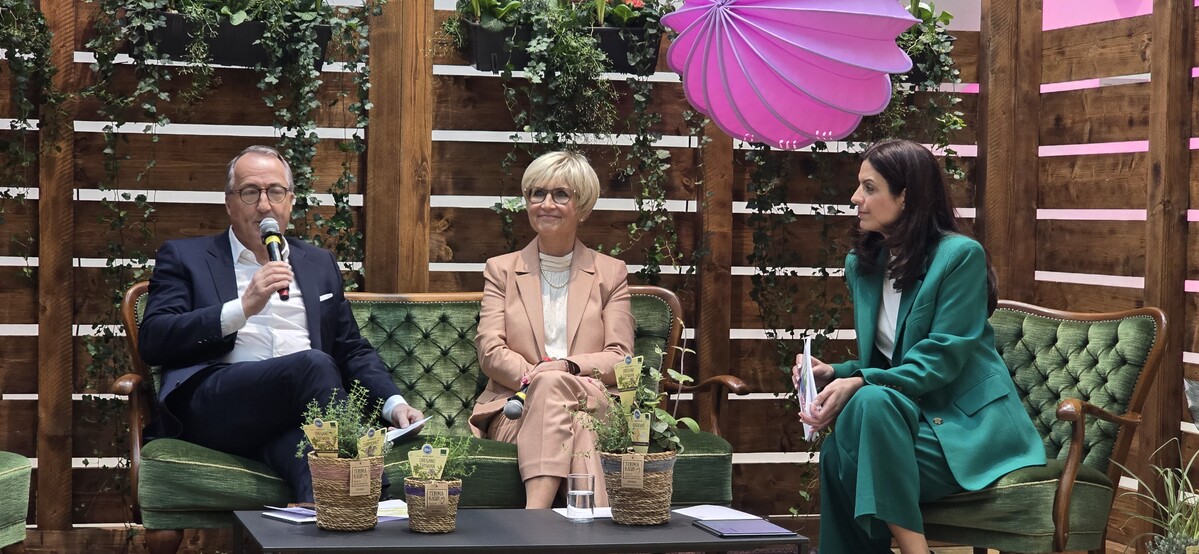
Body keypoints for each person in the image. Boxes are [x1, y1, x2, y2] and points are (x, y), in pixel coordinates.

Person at [795, 139, 1045, 554]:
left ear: (906, 197)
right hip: (899, 424)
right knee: (845, 442)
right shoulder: (863, 266)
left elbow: (939, 358)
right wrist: (835, 373)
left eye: (869, 188)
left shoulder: (959, 257)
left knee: (858, 422)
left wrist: (859, 382)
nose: (855, 198)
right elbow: (887, 363)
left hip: (965, 430)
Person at [138, 145, 424, 502]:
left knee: (315, 466)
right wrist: (242, 307)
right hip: (220, 407)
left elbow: (350, 348)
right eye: (250, 192)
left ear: (290, 201)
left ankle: (341, 517)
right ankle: (374, 489)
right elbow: (154, 339)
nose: (264, 205)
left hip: (299, 415)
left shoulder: (318, 263)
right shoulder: (186, 257)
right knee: (313, 365)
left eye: (275, 192)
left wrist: (394, 404)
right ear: (229, 203)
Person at [469, 150, 634, 509]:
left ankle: (535, 517)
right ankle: (593, 525)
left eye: (560, 194)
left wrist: (565, 367)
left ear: (582, 206)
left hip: (593, 401)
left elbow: (620, 358)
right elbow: (490, 351)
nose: (546, 204)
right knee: (579, 426)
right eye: (537, 193)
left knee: (567, 400)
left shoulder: (611, 273)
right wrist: (540, 378)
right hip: (517, 409)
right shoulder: (501, 270)